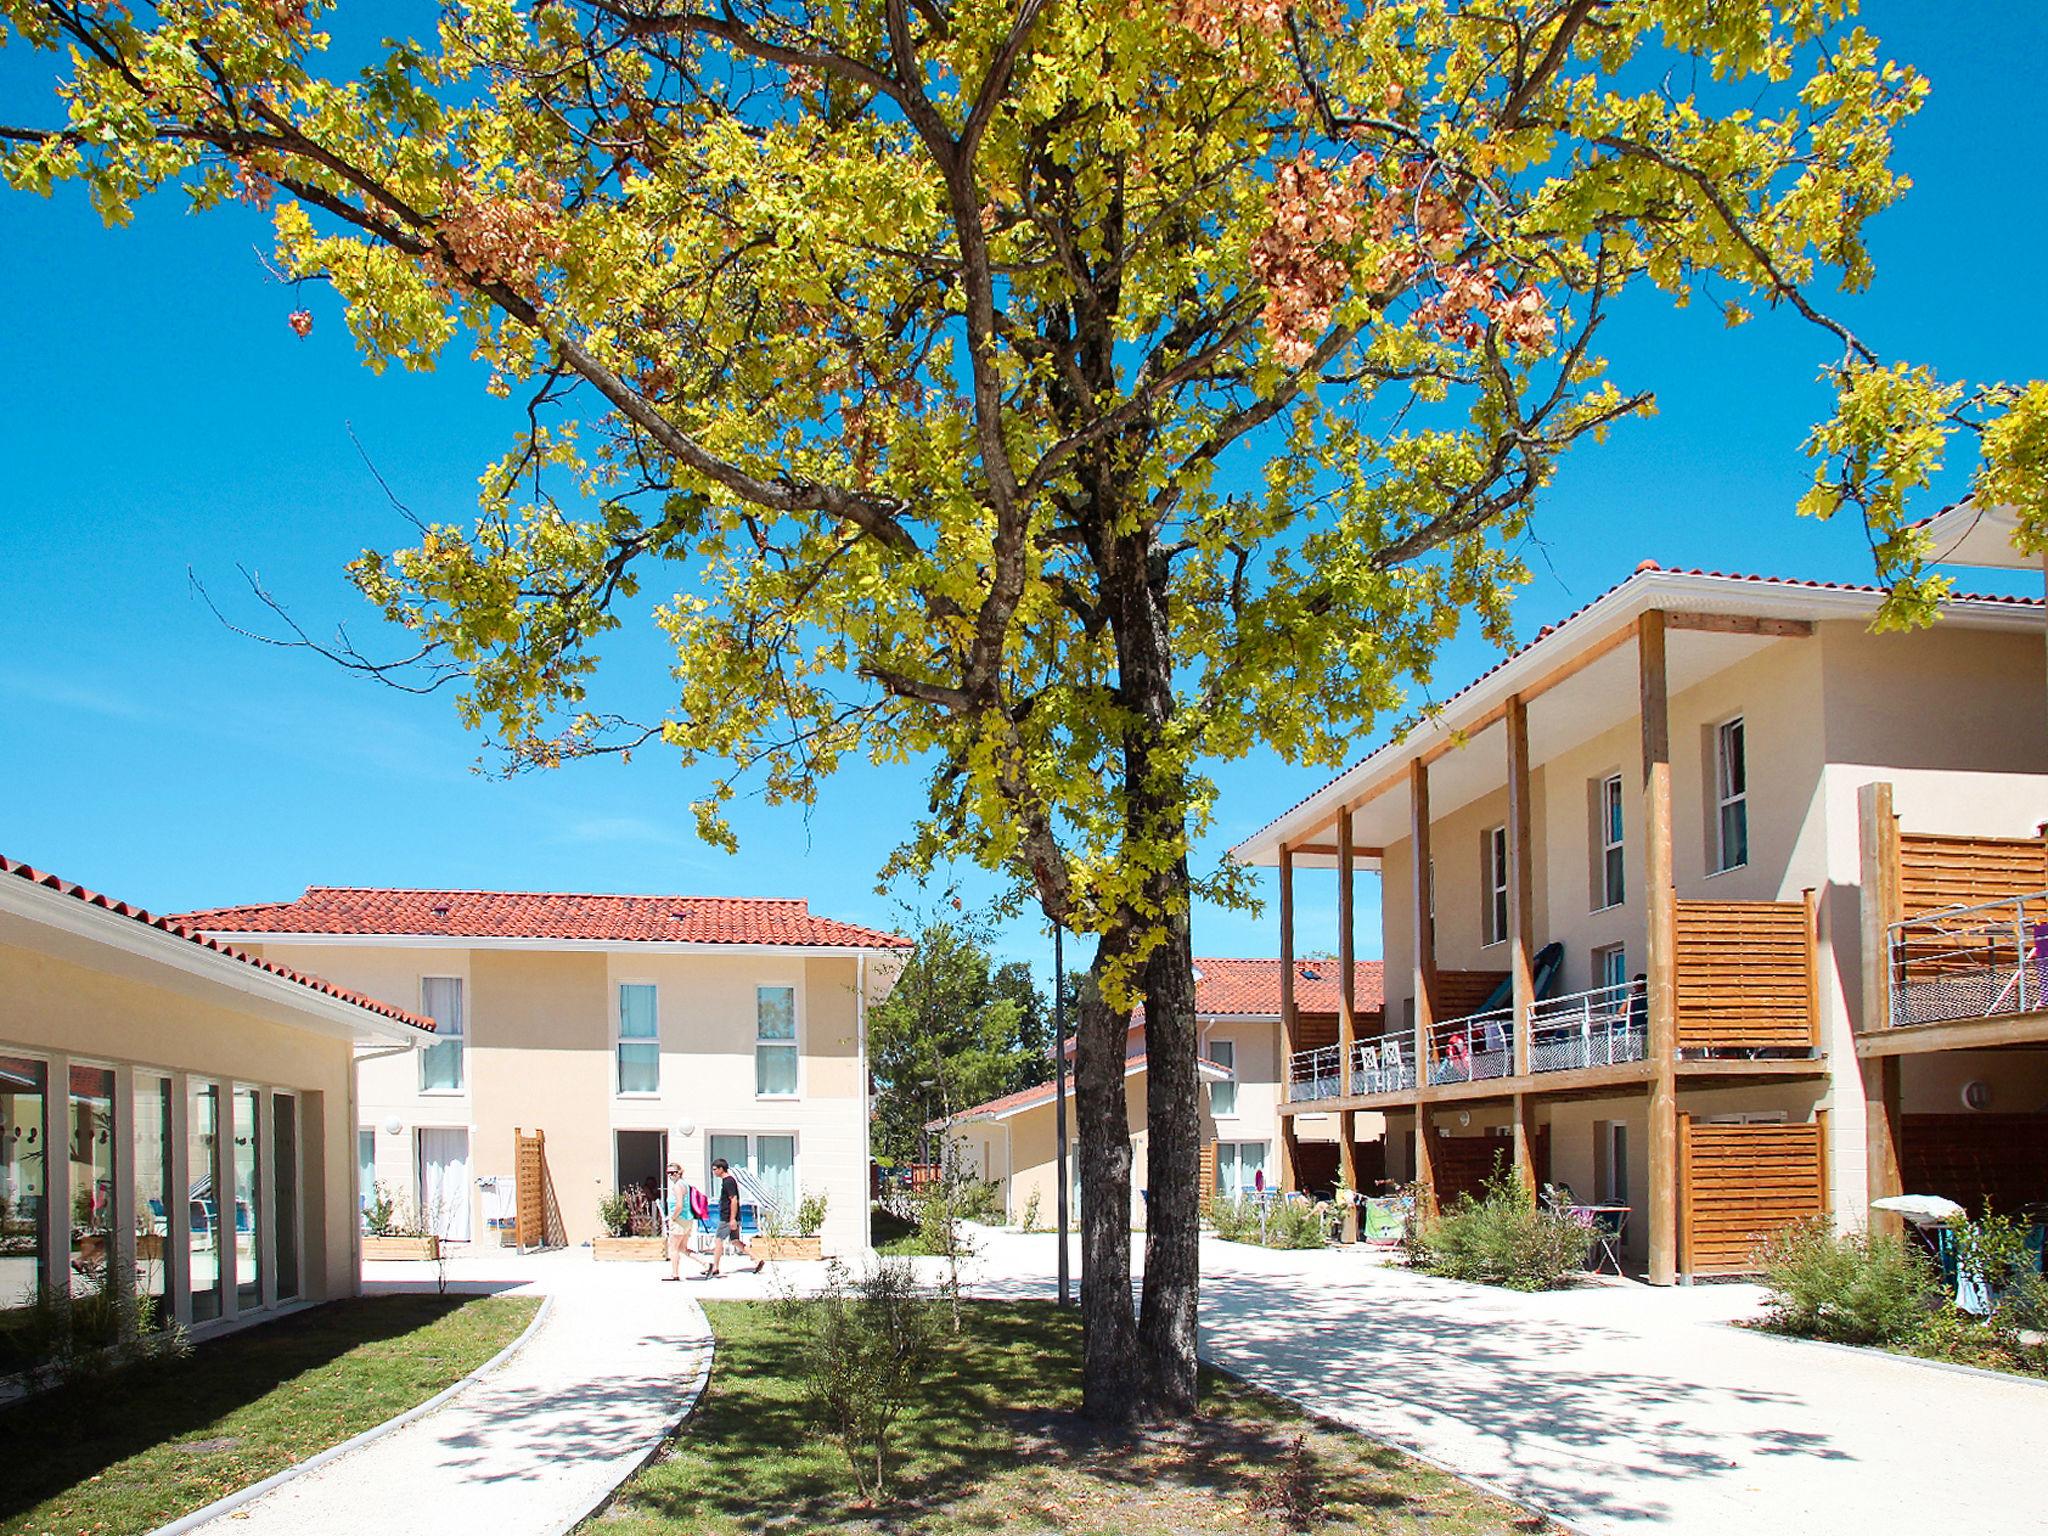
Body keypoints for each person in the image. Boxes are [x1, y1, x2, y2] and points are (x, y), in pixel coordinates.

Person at [695, 1156, 762, 1277]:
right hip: (730, 1216)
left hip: (727, 1217)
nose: (714, 1171)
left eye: (715, 1169)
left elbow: (734, 1199)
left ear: (721, 1169)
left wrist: (732, 1219)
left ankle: (715, 1267)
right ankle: (757, 1259)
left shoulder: (728, 1181)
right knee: (735, 1241)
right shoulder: (728, 1181)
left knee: (719, 1240)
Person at [662, 1162, 707, 1281]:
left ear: (679, 1173)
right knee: (683, 1248)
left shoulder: (677, 1186)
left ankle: (675, 1274)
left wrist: (672, 1218)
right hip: (687, 1219)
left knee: (674, 1248)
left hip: (679, 1220)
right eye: (668, 1173)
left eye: (673, 1173)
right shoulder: (685, 1185)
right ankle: (706, 1264)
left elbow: (679, 1205)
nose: (671, 1175)